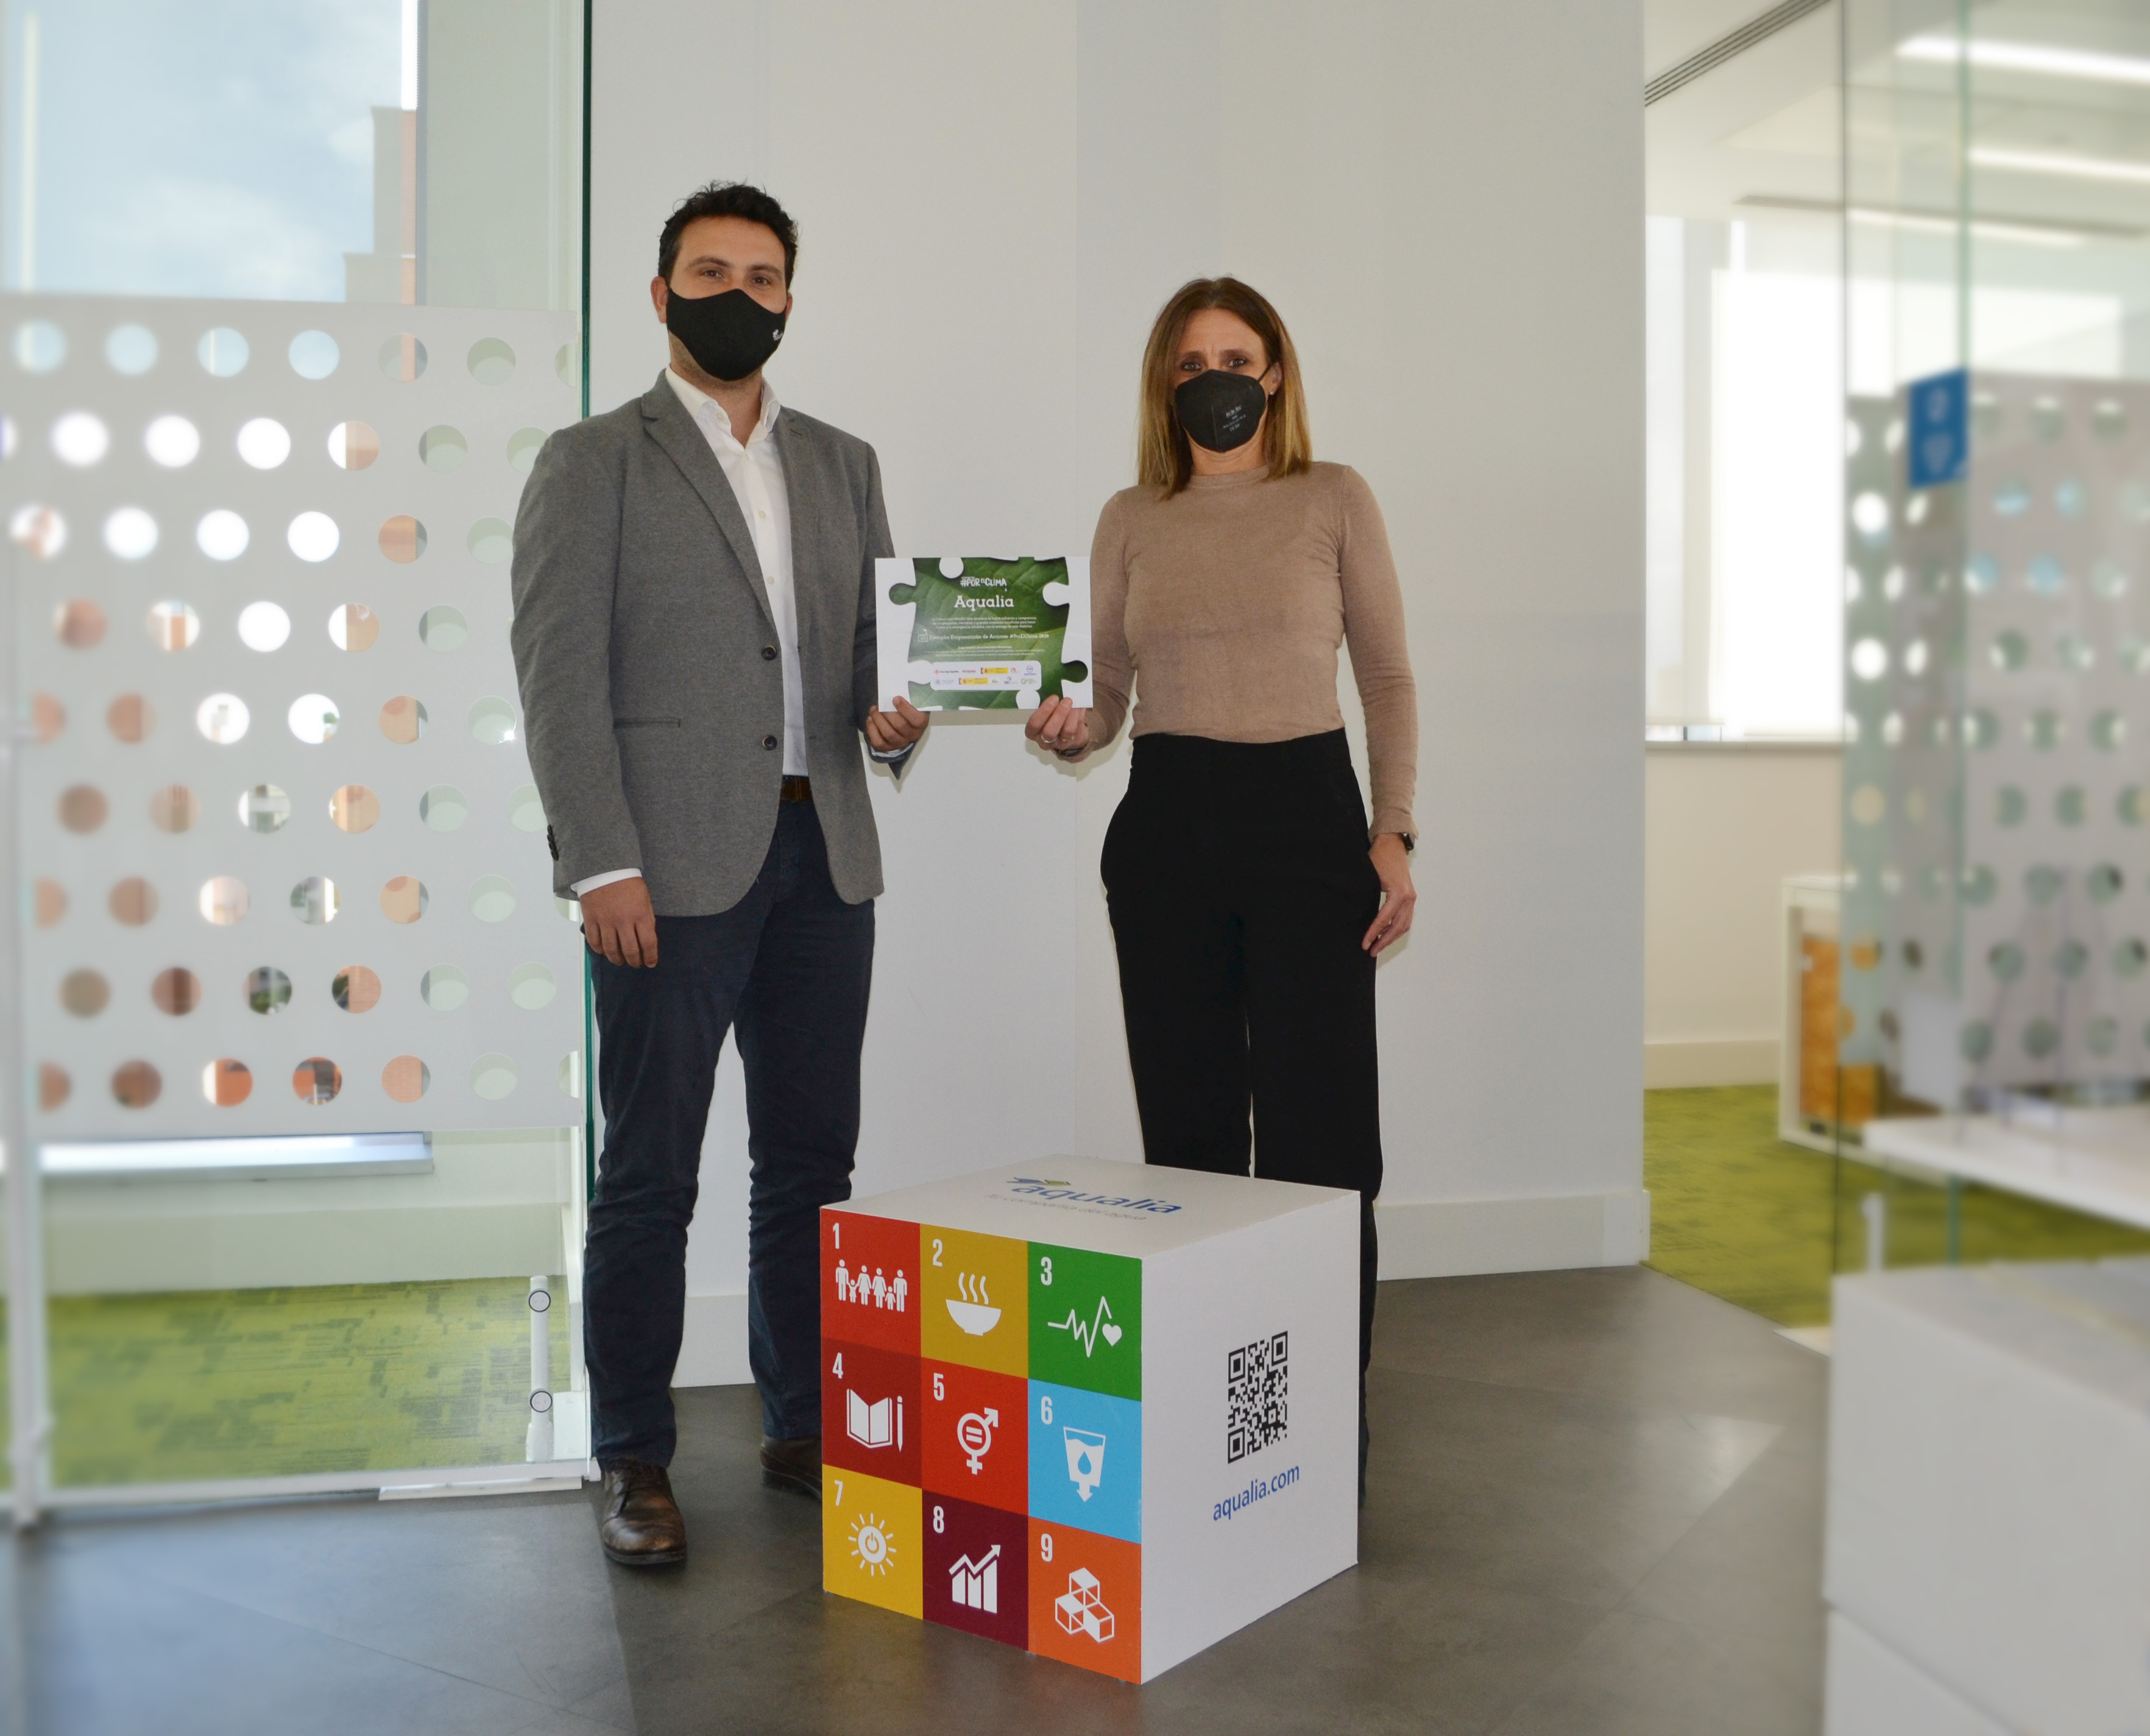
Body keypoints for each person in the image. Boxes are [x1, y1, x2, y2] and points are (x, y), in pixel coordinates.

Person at [511, 182, 928, 1568]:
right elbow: (559, 680)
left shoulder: (844, 462)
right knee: (648, 1176)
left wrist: (898, 717)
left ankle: (801, 1427)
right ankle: (633, 1454)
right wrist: (600, 864)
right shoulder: (593, 461)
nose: (735, 295)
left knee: (810, 1165)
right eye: (708, 272)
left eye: (761, 277)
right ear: (660, 293)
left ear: (790, 299)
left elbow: (871, 657)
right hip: (665, 872)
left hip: (827, 857)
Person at [1023, 277, 1416, 1502]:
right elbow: (1108, 694)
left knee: (1321, 1148)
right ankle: (1212, 1411)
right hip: (1167, 835)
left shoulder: (1332, 496)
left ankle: (1319, 1416)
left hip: (1309, 830)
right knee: (1188, 1147)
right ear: (1165, 382)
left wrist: (1393, 833)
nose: (1214, 381)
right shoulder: (1130, 517)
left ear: (1276, 373)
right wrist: (1070, 725)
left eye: (1235, 359)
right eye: (1190, 363)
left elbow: (1387, 679)